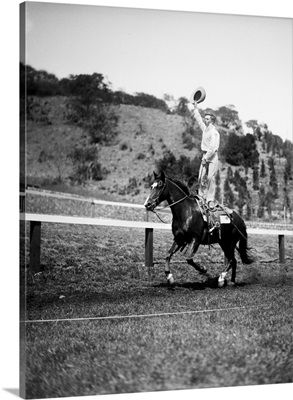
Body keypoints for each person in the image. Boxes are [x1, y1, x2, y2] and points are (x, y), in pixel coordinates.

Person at [192, 102, 220, 207]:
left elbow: (213, 148)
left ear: (212, 121)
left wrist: (206, 158)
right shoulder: (205, 129)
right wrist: (195, 108)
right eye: (205, 118)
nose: (205, 120)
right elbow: (198, 120)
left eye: (207, 119)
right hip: (205, 155)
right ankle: (201, 196)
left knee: (209, 178)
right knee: (201, 177)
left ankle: (210, 199)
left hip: (212, 156)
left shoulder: (214, 132)